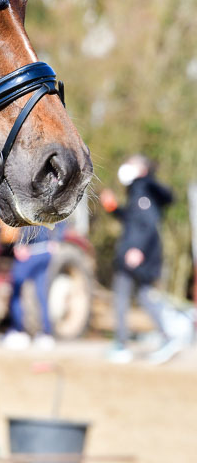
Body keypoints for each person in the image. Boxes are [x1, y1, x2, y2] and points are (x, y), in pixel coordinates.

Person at [100, 154, 180, 365]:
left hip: (137, 254)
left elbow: (147, 223)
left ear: (142, 170)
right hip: (140, 253)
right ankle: (166, 337)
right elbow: (132, 219)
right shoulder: (140, 190)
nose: (125, 167)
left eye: (130, 164)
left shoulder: (142, 189)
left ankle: (122, 345)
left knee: (123, 297)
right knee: (142, 296)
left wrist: (136, 248)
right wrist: (114, 209)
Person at [2, 225, 60, 350]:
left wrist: (21, 243)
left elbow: (28, 223)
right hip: (45, 250)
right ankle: (45, 333)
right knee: (41, 292)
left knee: (16, 290)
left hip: (31, 251)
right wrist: (56, 239)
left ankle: (18, 330)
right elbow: (62, 220)